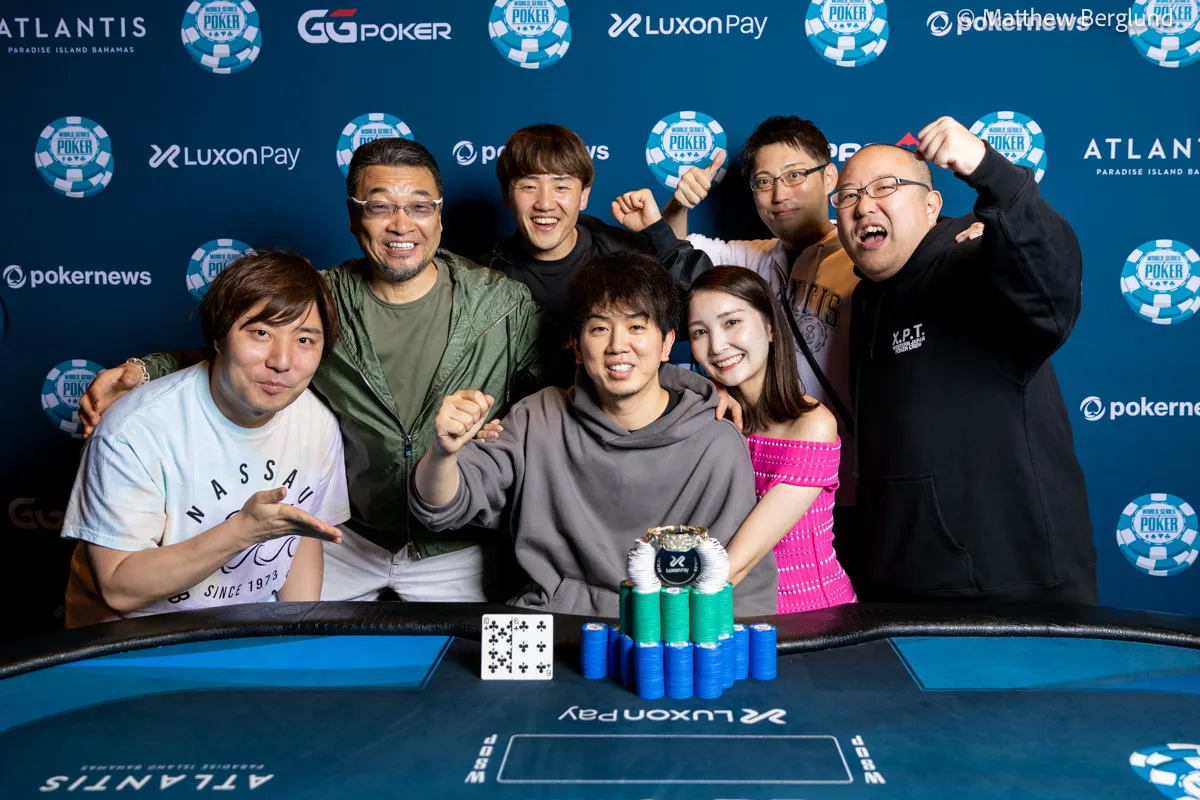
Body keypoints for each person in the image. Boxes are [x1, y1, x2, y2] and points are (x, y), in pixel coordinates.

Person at [78, 138, 548, 604]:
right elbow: (241, 350)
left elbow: (557, 393)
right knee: (304, 645)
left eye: (419, 207)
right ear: (353, 217)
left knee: (469, 654)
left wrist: (508, 430)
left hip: (458, 547)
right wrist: (145, 371)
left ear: (439, 216)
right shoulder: (320, 300)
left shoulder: (501, 304)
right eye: (379, 207)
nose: (401, 224)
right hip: (346, 538)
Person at [410, 253, 778, 617]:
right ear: (577, 346)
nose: (618, 345)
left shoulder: (716, 442)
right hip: (555, 627)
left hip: (665, 635)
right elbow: (441, 508)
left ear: (667, 344)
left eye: (636, 327)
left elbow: (742, 590)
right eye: (600, 328)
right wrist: (443, 453)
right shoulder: (536, 418)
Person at [834, 116, 1096, 603]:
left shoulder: (971, 260)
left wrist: (989, 170)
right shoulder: (867, 297)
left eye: (885, 187)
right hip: (903, 587)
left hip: (1010, 589)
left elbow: (1049, 280)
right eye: (847, 196)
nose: (863, 205)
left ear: (931, 205)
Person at [61, 252, 349, 627]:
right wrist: (243, 531)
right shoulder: (134, 429)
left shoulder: (317, 422)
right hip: (134, 638)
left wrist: (299, 636)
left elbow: (302, 537)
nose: (282, 360)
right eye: (261, 333)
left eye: (305, 339)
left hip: (246, 633)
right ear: (219, 338)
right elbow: (118, 588)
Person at [481, 124, 712, 385]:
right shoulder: (485, 279)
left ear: (583, 196)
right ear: (507, 196)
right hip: (533, 409)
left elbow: (707, 312)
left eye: (561, 187)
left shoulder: (624, 255)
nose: (545, 203)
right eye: (528, 186)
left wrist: (658, 232)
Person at [688, 267, 854, 613]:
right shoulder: (713, 416)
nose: (717, 346)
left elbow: (737, 565)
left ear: (771, 328)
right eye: (700, 332)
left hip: (812, 617)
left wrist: (660, 620)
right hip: (736, 616)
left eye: (732, 322)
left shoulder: (812, 425)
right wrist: (702, 387)